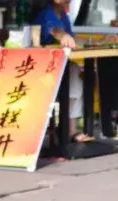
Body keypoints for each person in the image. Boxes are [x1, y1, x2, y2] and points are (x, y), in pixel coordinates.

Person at [35, 0, 91, 141]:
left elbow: (72, 39)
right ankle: (68, 128)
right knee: (74, 71)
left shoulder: (63, 16)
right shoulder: (46, 14)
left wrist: (99, 41)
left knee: (76, 72)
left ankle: (69, 128)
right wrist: (62, 36)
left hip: (59, 66)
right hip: (41, 69)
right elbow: (53, 30)